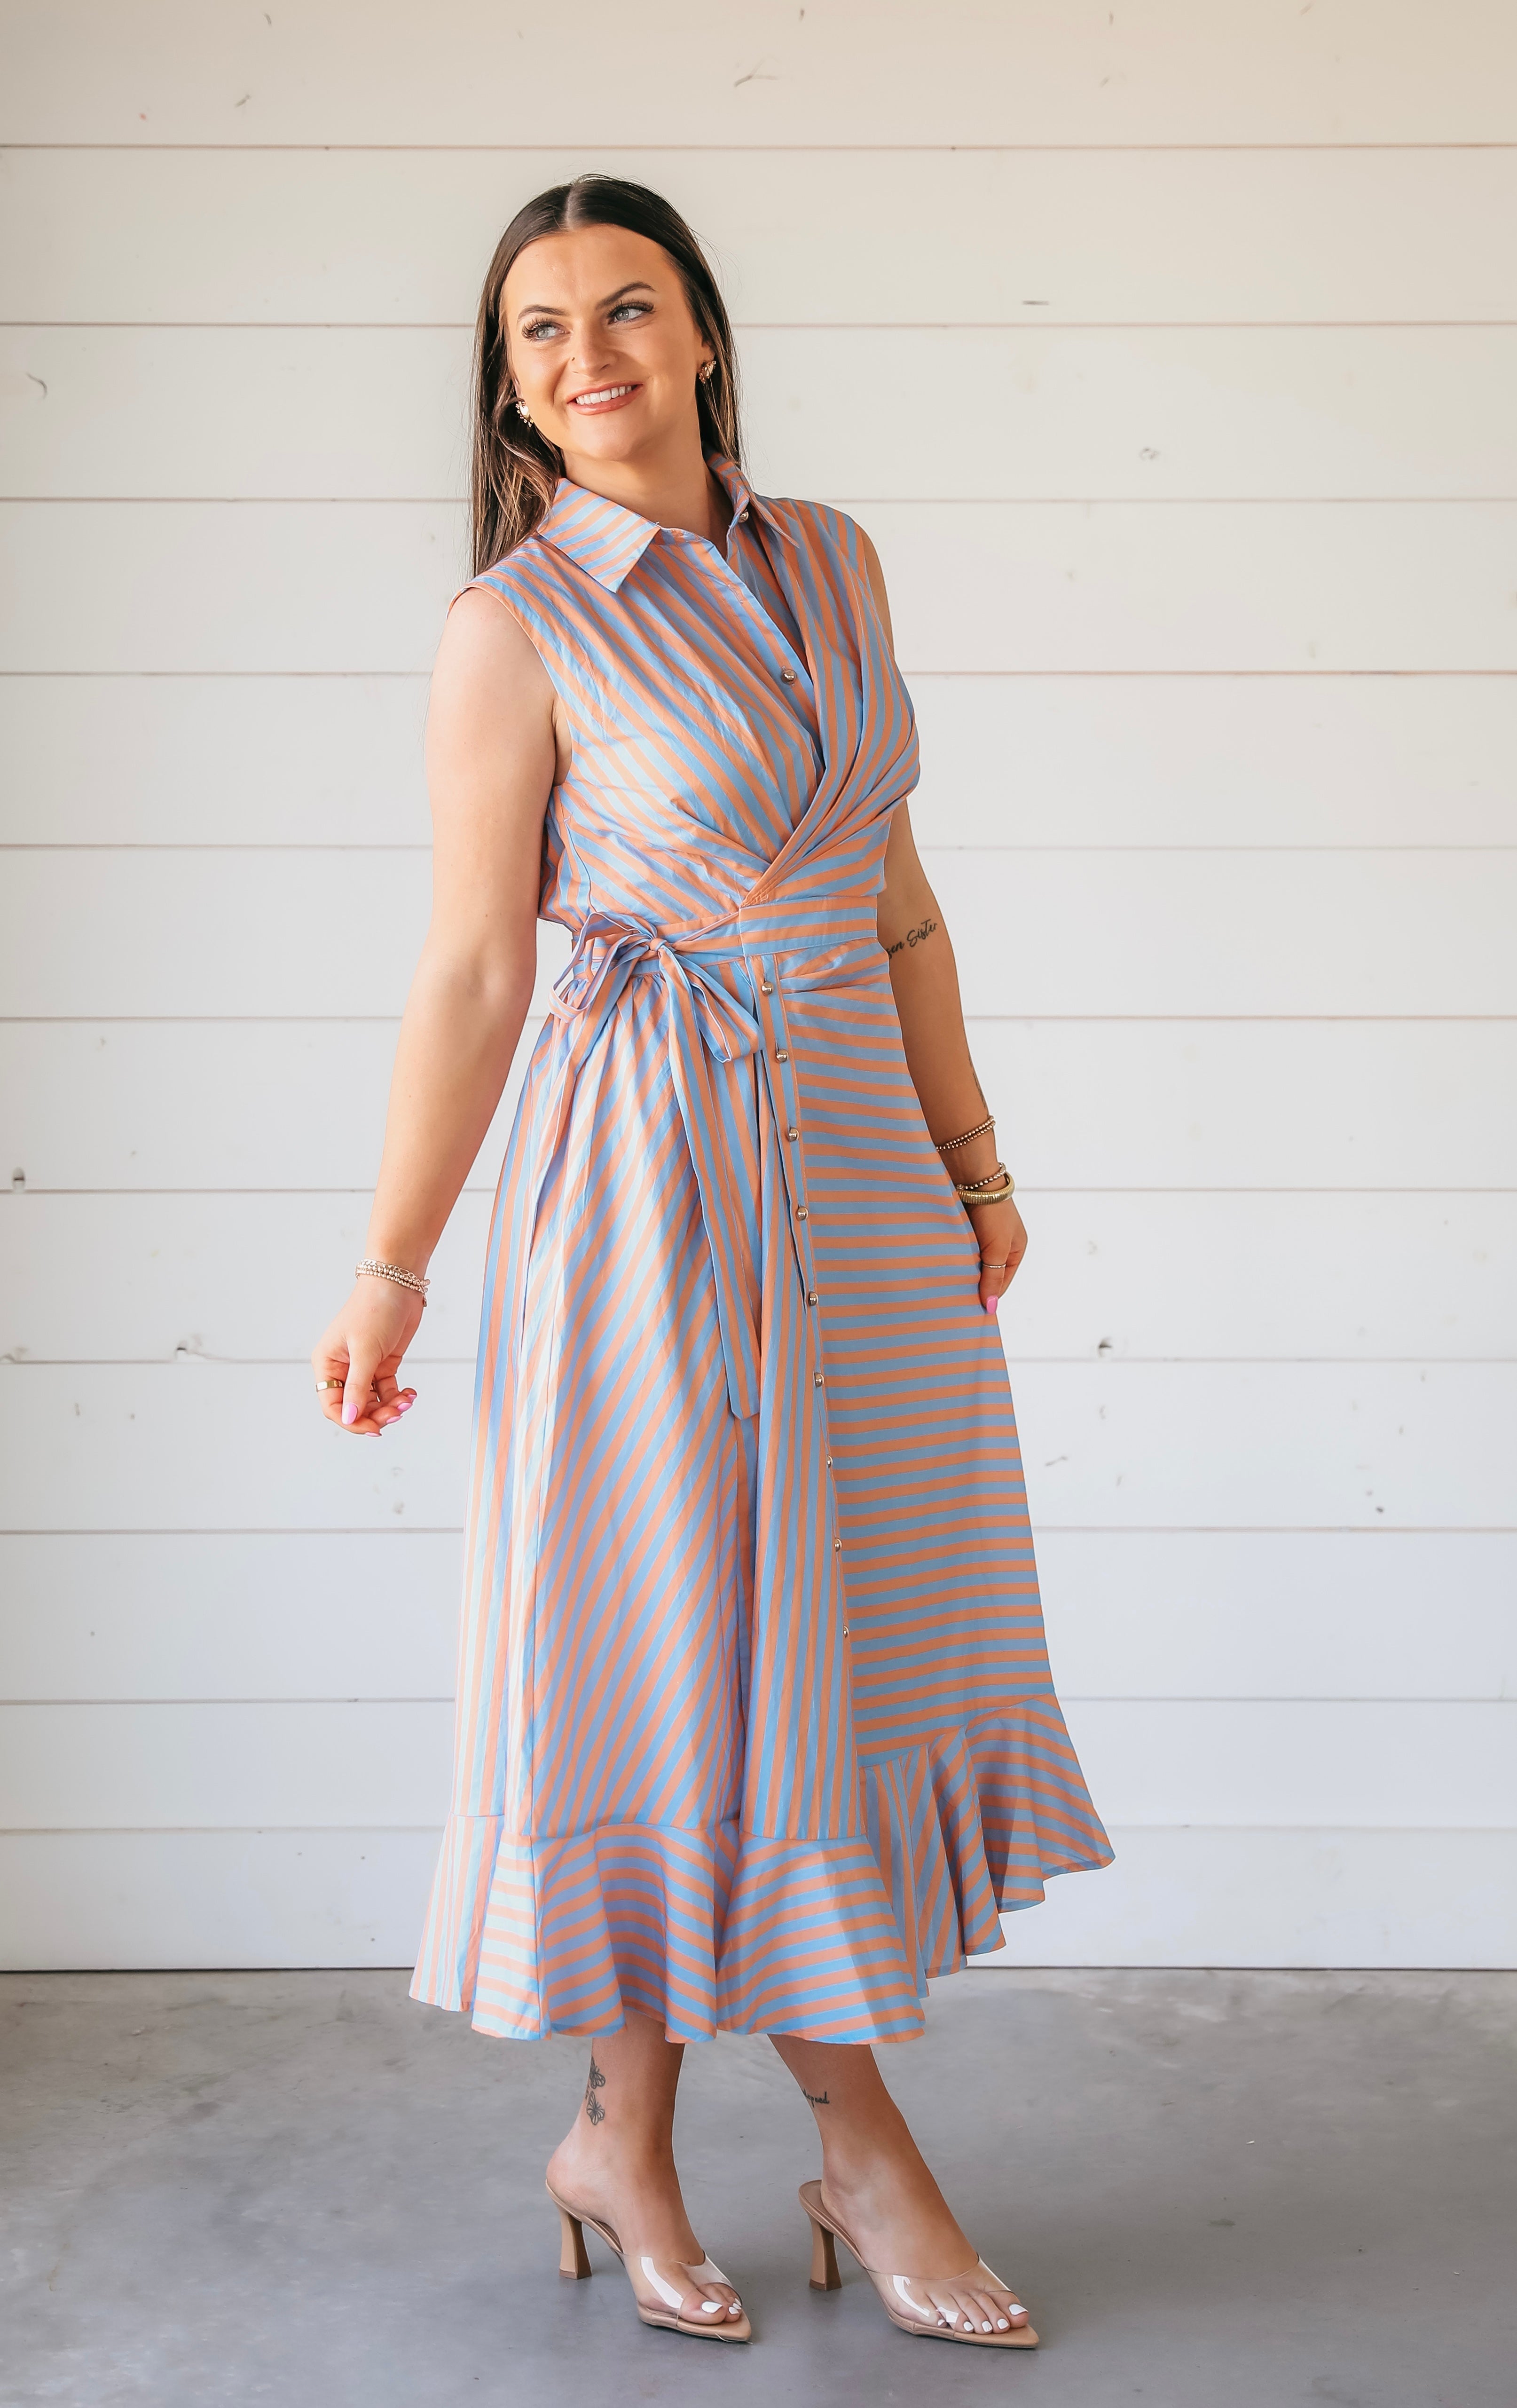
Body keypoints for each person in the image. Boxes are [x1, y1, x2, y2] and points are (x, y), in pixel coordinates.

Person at [312, 174, 1110, 2351]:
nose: (588, 356)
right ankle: (861, 2146)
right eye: (542, 329)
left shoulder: (833, 558)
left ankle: (623, 2136)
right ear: (510, 382)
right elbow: (478, 965)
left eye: (628, 308)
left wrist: (972, 1154)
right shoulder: (517, 626)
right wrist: (392, 1261)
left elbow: (905, 900)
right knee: (686, 1656)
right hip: (646, 1180)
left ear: (702, 336)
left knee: (807, 1663)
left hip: (854, 1160)